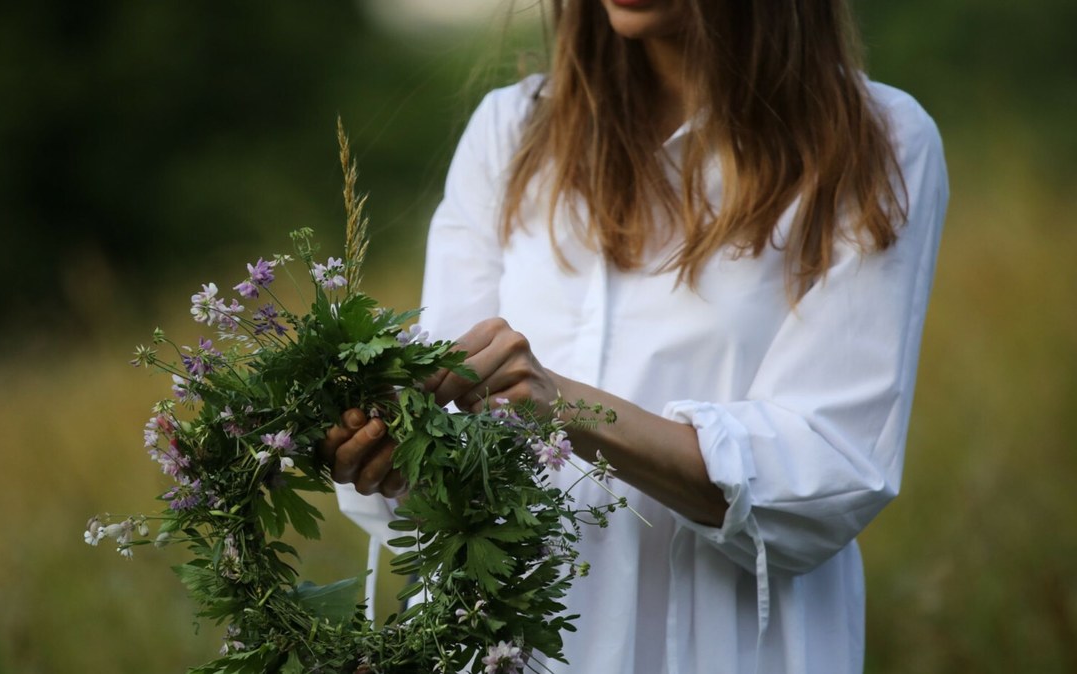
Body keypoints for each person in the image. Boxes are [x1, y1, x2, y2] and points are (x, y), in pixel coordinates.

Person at [320, 0, 948, 672]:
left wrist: (563, 405)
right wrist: (384, 452)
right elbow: (443, 461)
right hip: (500, 648)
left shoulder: (874, 142)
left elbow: (825, 473)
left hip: (720, 650)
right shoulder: (513, 130)